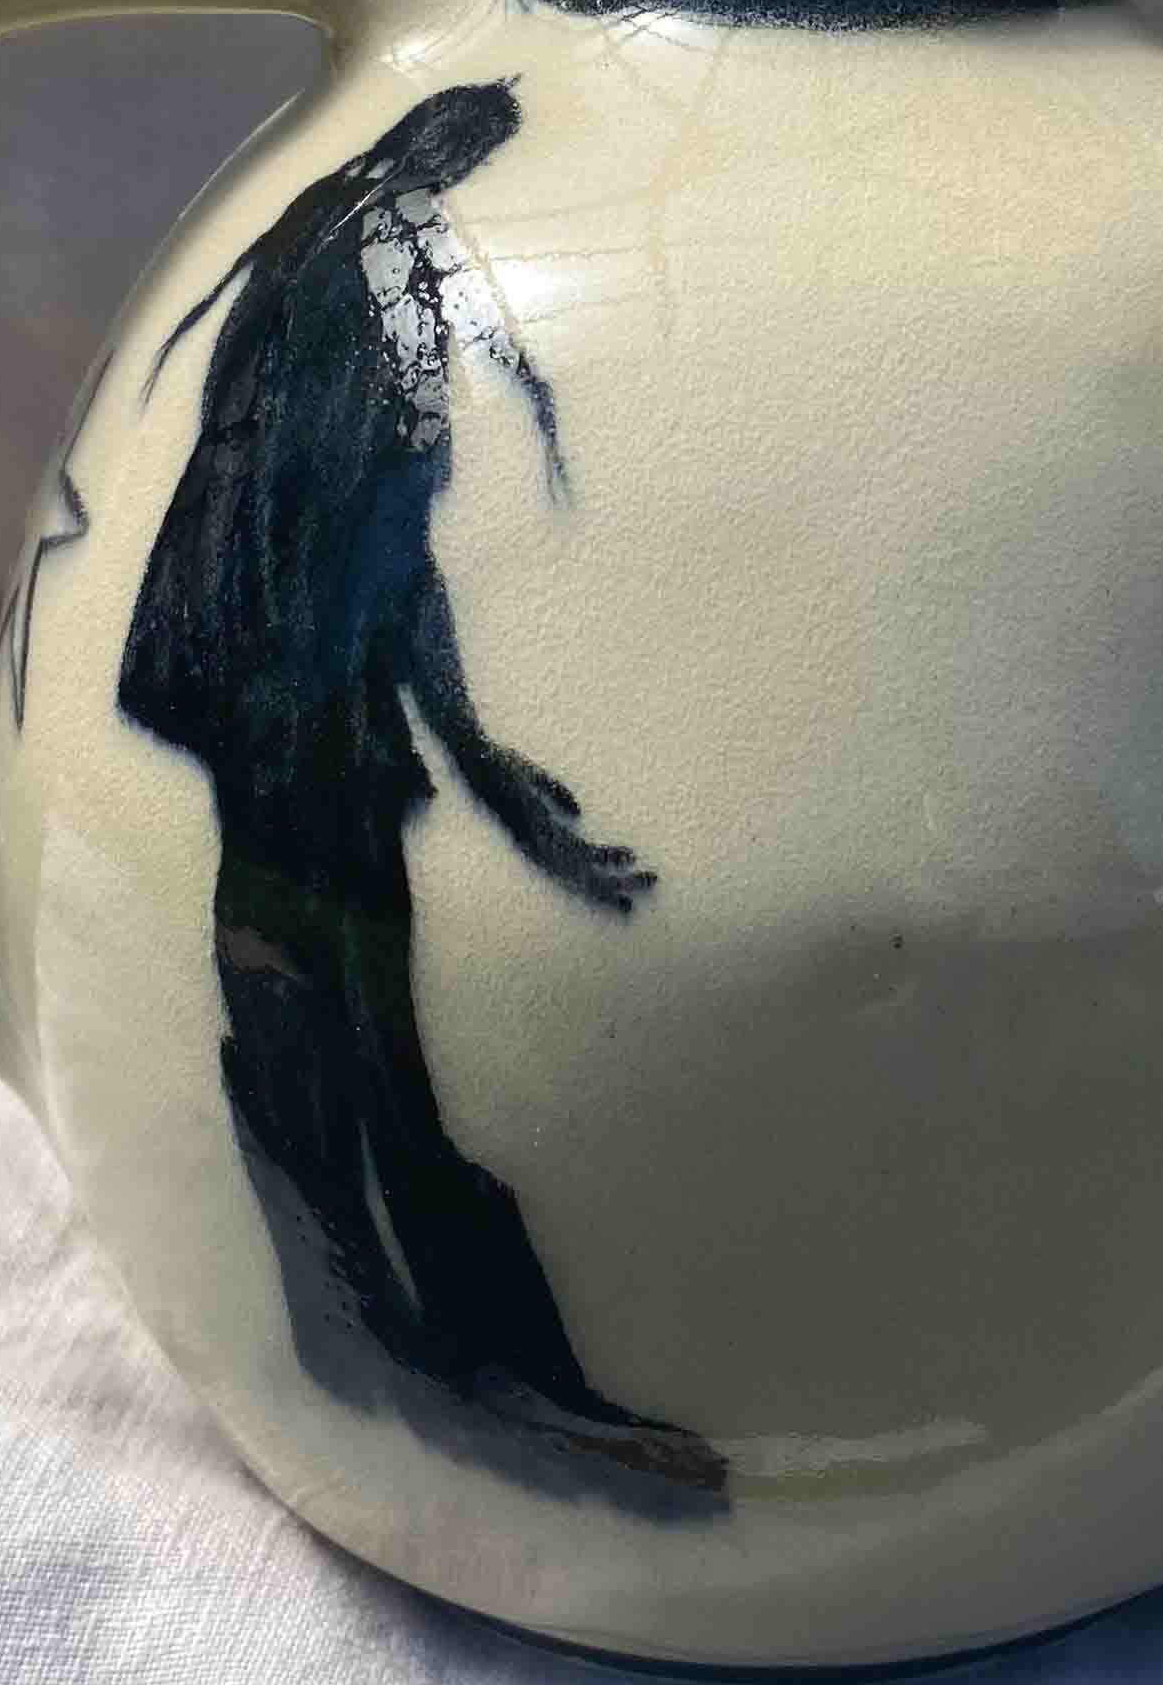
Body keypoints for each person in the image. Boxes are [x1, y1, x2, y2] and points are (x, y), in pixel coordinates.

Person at [118, 80, 728, 1513]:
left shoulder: (327, 242)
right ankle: (437, 1378)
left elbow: (380, 542)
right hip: (300, 725)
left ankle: (403, 1361)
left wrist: (485, 771)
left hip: (287, 715)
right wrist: (491, 777)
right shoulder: (376, 268)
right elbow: (386, 549)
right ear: (445, 155)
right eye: (473, 161)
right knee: (351, 1036)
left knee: (336, 1030)